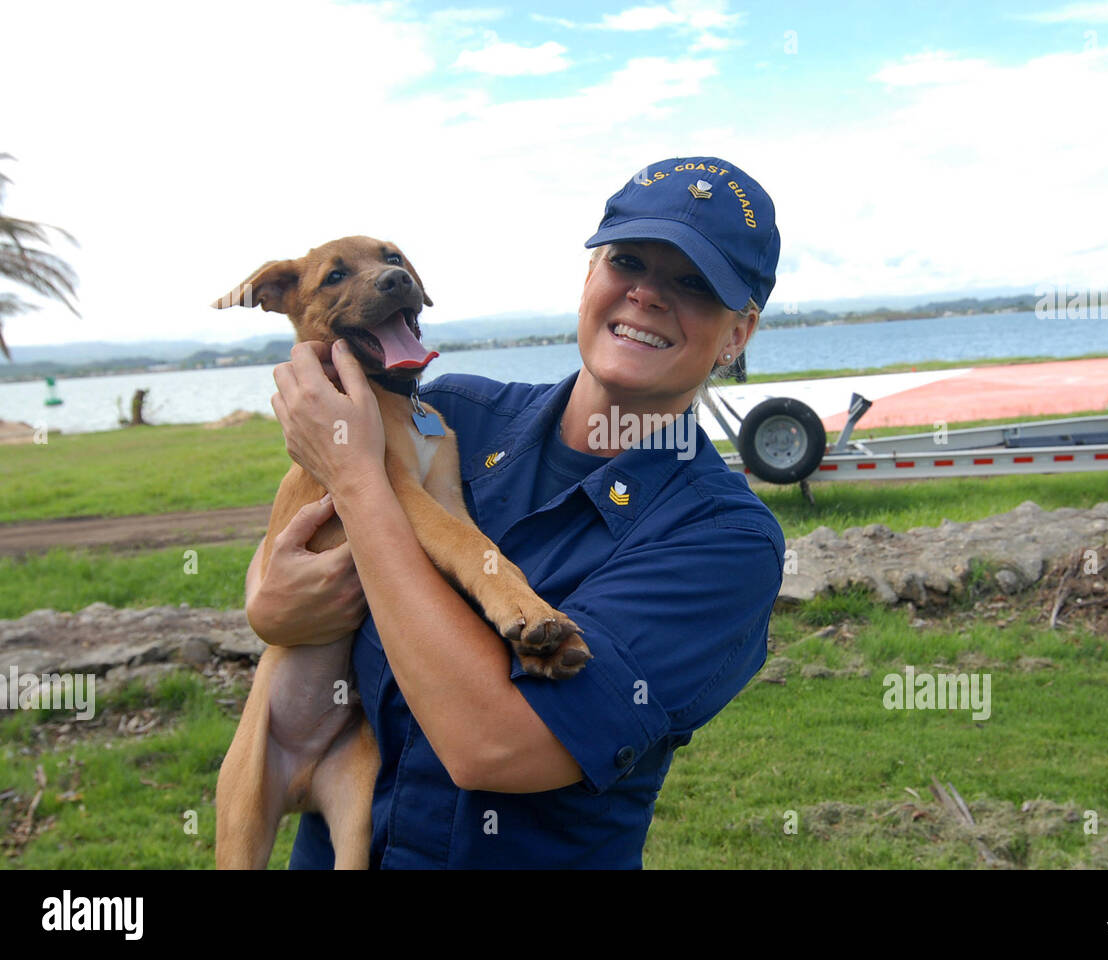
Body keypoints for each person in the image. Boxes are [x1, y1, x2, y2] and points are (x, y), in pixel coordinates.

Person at [245, 156, 785, 868]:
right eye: (627, 261)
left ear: (737, 335)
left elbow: (490, 746)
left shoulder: (724, 543)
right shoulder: (451, 414)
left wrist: (357, 480)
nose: (647, 295)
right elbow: (281, 584)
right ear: (589, 277)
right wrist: (270, 601)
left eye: (692, 283)